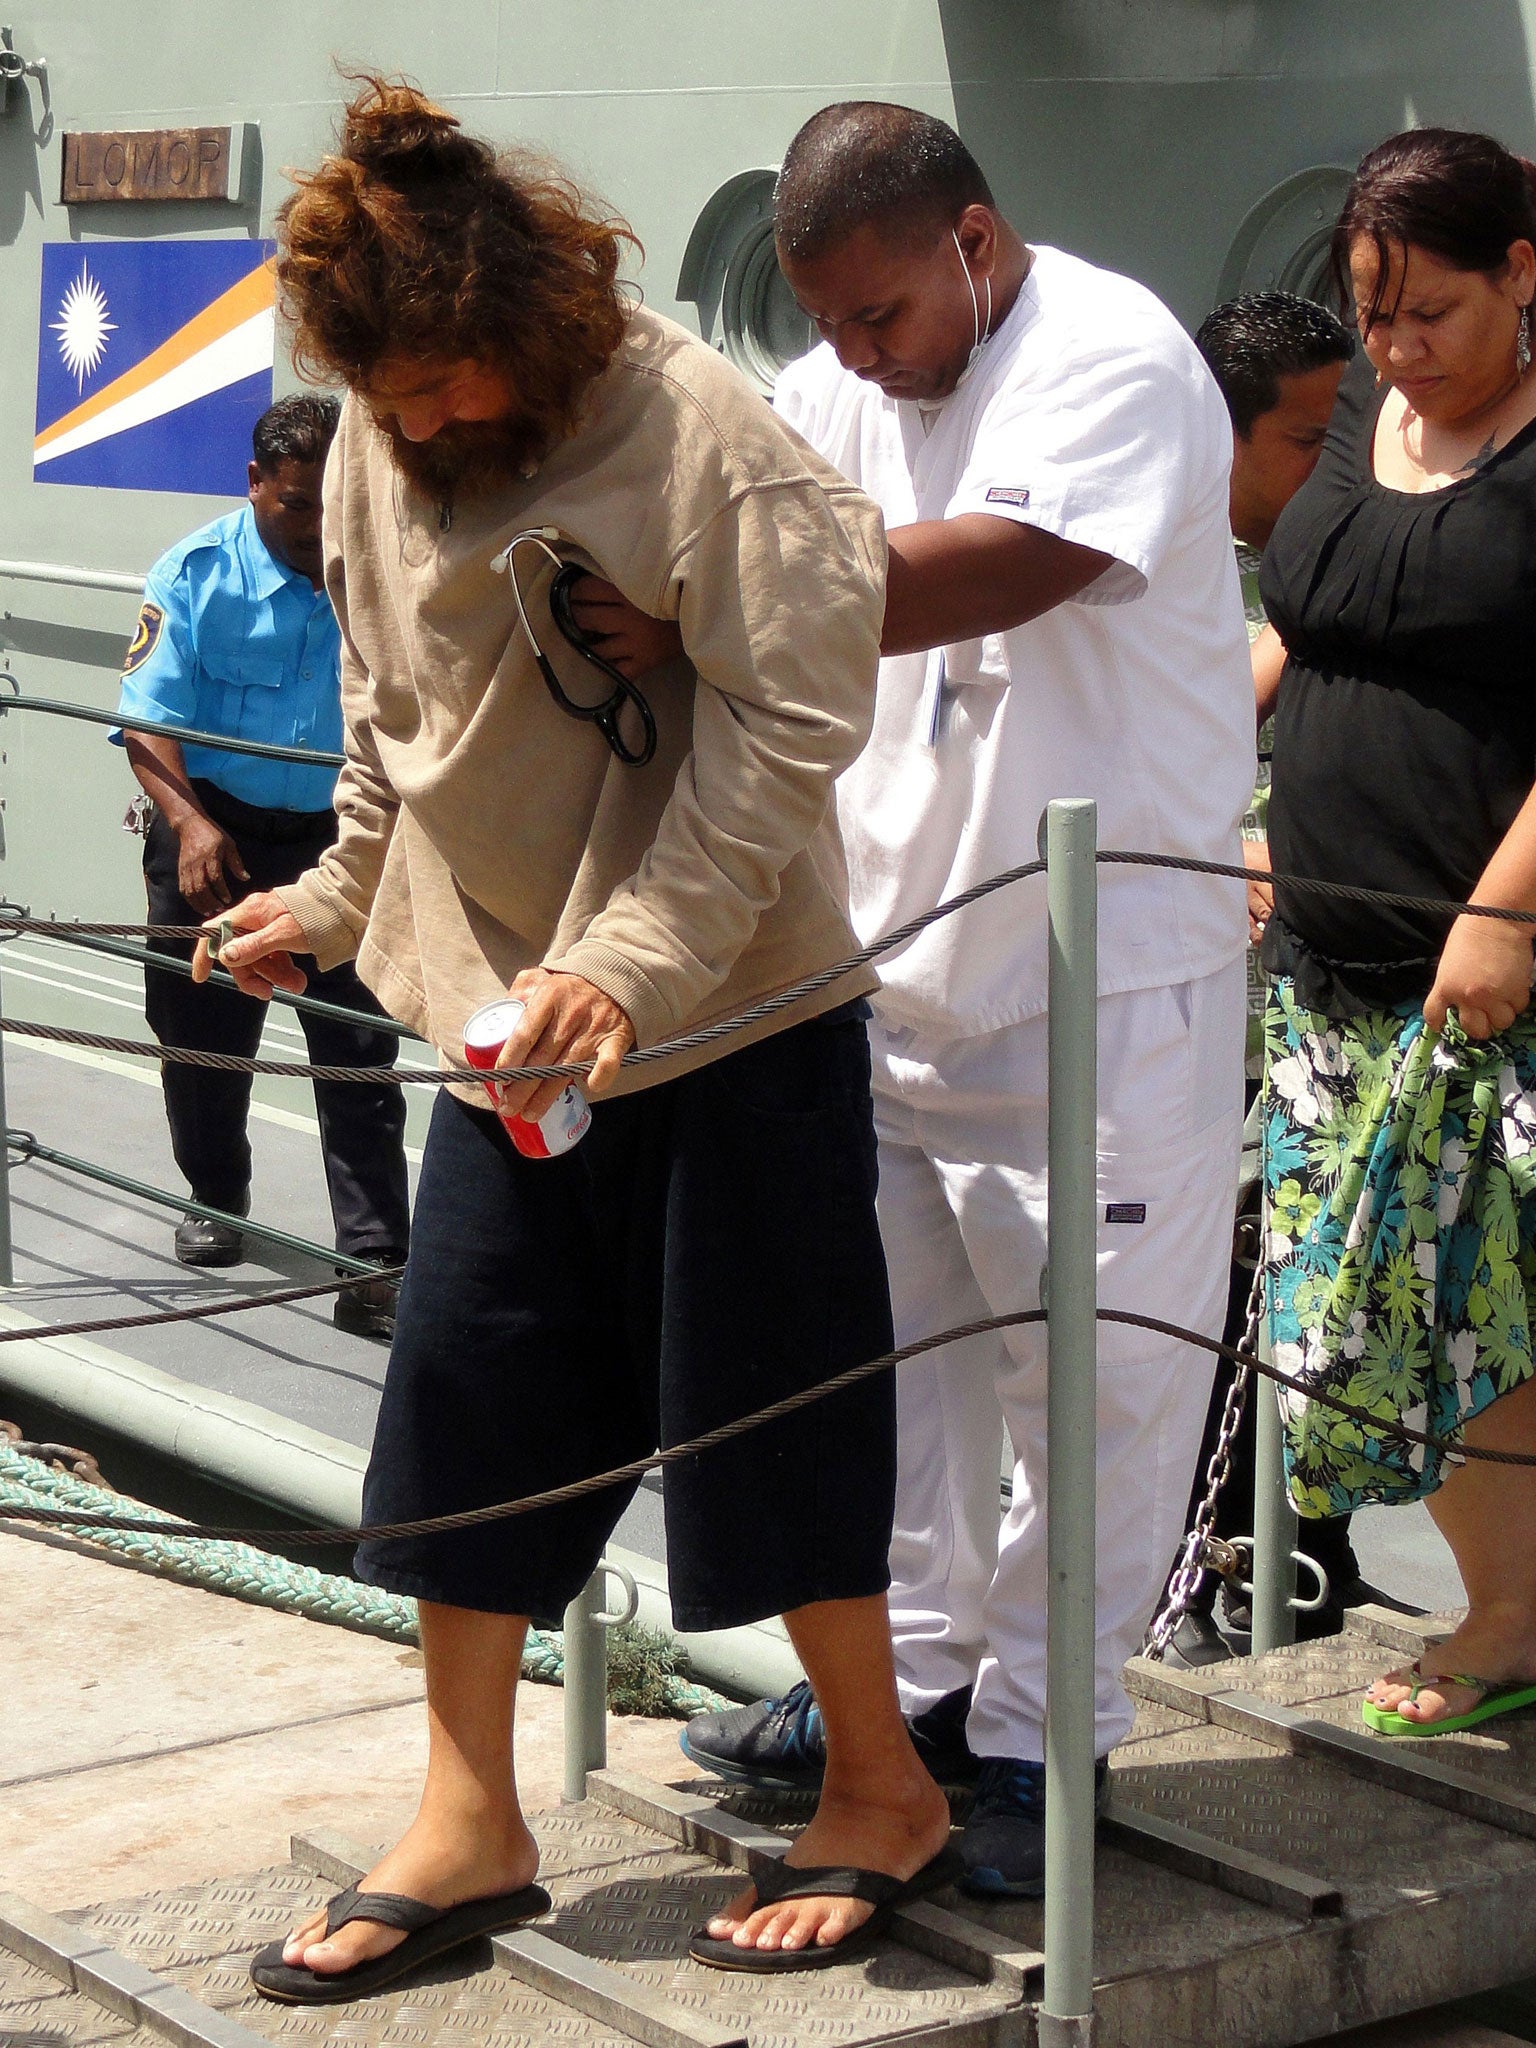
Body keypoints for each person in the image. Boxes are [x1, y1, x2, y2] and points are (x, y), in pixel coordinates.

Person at [209, 78, 956, 1998]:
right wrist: (336, 901)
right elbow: (396, 712)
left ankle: (877, 1783)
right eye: (397, 400)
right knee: (468, 1398)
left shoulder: (706, 433)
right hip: (503, 1030)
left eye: (456, 386)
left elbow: (797, 726)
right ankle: (471, 1812)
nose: (433, 425)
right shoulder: (391, 427)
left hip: (729, 1012)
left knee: (767, 1399)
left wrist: (629, 956)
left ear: (536, 324)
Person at [664, 103, 1255, 1894]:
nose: (853, 355)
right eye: (826, 322)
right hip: (895, 968)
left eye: (882, 313)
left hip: (1098, 984)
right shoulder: (848, 389)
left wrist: (713, 603)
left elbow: (1010, 562)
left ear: (973, 245)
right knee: (906, 1378)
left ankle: (1040, 1741)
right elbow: (773, 534)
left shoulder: (1112, 349)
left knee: (1092, 1386)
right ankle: (905, 1700)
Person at [1255, 127, 1536, 1738]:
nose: (1395, 347)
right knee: (1380, 1306)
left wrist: (1502, 914)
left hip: (1487, 975)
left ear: (1520, 272)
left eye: (1429, 311)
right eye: (1371, 313)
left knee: (1491, 1298)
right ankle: (1505, 1594)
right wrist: (1195, 793)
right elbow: (1308, 623)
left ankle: (1501, 1617)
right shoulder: (1372, 419)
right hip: (1337, 973)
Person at [1157, 291, 1361, 1665]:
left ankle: (1292, 1568)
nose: (1332, 466)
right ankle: (1226, 1568)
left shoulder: (1322, 553)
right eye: (1306, 439)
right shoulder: (1157, 568)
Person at [116, 395, 410, 1338]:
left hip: (342, 837)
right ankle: (216, 1196)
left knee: (358, 1043)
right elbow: (146, 720)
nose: (317, 528)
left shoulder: (381, 571)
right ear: (254, 485)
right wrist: (187, 822)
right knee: (200, 1031)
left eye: (332, 506)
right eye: (295, 506)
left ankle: (371, 1262)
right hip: (216, 831)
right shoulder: (195, 574)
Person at [1196, 292, 1354, 552]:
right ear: (1223, 429)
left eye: (1348, 432)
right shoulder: (1169, 566)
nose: (1339, 456)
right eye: (1308, 440)